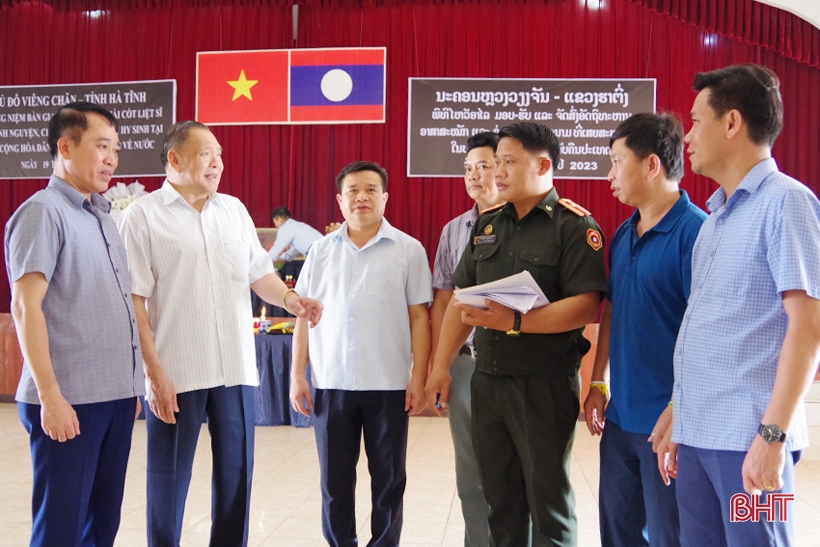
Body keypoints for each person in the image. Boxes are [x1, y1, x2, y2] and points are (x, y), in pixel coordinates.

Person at [119, 120, 323, 547]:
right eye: (206, 153)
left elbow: (258, 274)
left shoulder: (233, 210)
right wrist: (152, 374)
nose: (218, 162)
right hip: (176, 369)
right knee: (167, 477)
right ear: (174, 159)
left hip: (235, 368)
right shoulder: (143, 215)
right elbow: (135, 301)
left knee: (236, 477)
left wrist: (291, 301)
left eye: (220, 153)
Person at [656, 64, 820, 547]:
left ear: (732, 123)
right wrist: (676, 413)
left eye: (696, 121)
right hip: (701, 433)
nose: (687, 136)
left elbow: (808, 328)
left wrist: (773, 437)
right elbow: (707, 327)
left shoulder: (788, 203)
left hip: (751, 440)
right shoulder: (715, 218)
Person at [425, 122, 608, 547]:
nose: (498, 173)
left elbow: (585, 304)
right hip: (488, 382)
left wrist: (516, 322)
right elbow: (459, 302)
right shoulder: (487, 226)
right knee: (500, 501)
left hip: (543, 384)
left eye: (509, 162)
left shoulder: (574, 227)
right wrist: (440, 367)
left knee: (547, 501)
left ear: (543, 165)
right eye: (497, 163)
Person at [4, 101, 144, 547]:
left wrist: (129, 389)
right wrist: (50, 397)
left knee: (101, 527)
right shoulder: (43, 212)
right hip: (70, 401)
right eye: (101, 146)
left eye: (116, 149)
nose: (111, 158)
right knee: (61, 530)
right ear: (65, 147)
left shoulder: (102, 216)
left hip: (114, 398)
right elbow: (26, 307)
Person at [289, 160, 432, 547]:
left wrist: (418, 378)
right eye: (353, 190)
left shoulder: (408, 250)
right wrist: (297, 375)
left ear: (385, 197)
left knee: (388, 481)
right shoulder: (319, 252)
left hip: (388, 385)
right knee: (335, 483)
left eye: (370, 189)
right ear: (340, 199)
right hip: (332, 384)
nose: (361, 197)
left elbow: (420, 317)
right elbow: (304, 315)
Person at [582, 113, 706, 547]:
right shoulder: (621, 234)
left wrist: (678, 406)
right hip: (620, 419)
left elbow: (705, 331)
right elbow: (612, 311)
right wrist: (598, 380)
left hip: (670, 423)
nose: (610, 175)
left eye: (617, 162)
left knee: (668, 535)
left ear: (652, 165)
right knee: (617, 531)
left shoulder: (697, 234)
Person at [430, 131, 503, 547]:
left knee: (515, 474)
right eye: (467, 169)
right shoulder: (455, 230)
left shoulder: (529, 222)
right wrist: (441, 365)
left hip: (516, 363)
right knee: (471, 475)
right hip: (467, 362)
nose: (473, 176)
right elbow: (443, 301)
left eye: (483, 166)